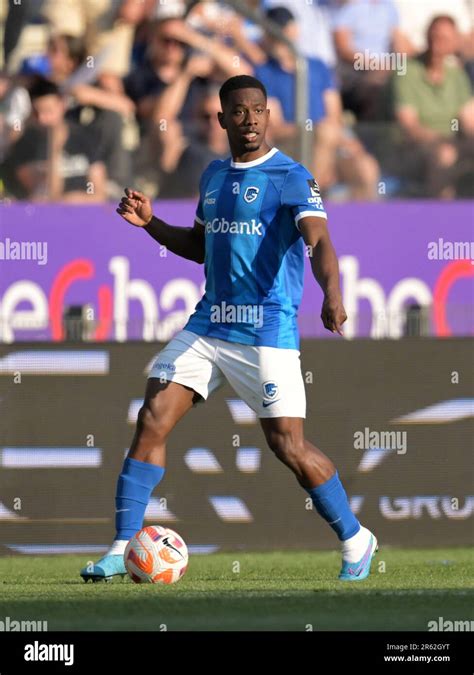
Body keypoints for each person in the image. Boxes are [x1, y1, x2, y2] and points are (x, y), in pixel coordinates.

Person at [80, 74, 378, 583]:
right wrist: (151, 223)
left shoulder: (290, 175)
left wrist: (333, 293)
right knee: (152, 415)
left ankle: (356, 538)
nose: (250, 119)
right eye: (238, 111)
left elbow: (320, 241)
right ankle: (121, 545)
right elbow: (201, 248)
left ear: (268, 114)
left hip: (265, 330)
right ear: (221, 119)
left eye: (258, 110)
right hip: (209, 322)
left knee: (287, 445)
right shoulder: (214, 176)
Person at [392, 15, 474, 197]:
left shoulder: (456, 75)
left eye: (444, 39)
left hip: (454, 143)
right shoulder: (407, 71)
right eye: (434, 37)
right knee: (445, 155)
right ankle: (439, 217)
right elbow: (410, 126)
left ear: (454, 43)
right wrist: (441, 143)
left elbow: (469, 119)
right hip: (415, 148)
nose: (437, 44)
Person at [3, 78, 106, 202]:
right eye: (36, 112)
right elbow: (48, 196)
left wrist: (75, 201)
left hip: (85, 214)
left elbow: (100, 194)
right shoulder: (25, 143)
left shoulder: (84, 137)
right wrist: (54, 149)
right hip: (49, 217)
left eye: (48, 111)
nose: (42, 119)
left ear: (62, 105)